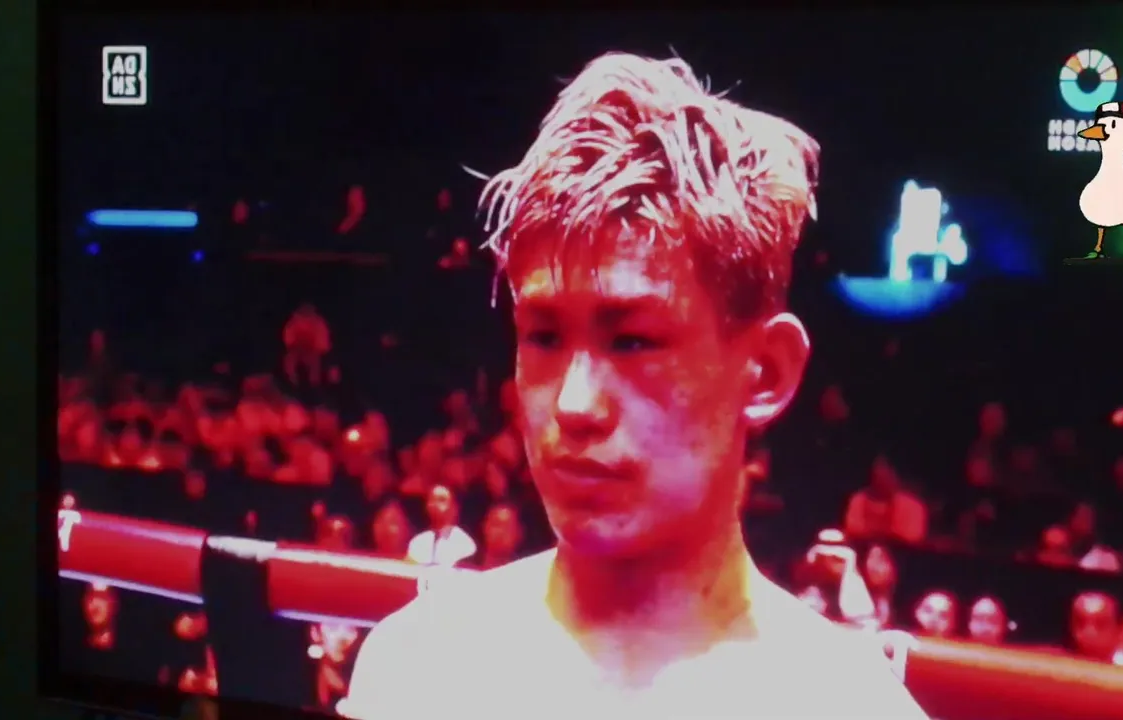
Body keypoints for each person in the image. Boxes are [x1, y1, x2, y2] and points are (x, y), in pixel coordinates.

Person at [345, 52, 927, 719]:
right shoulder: (417, 663)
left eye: (633, 342)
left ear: (765, 372)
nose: (574, 405)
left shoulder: (851, 708)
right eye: (543, 337)